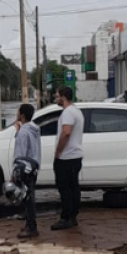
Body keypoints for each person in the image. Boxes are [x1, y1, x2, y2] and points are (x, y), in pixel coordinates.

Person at [52, 86, 84, 230]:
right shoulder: (76, 111)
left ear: (64, 97)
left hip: (67, 157)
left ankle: (66, 217)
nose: (55, 99)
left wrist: (58, 152)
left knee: (65, 188)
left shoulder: (68, 113)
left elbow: (66, 133)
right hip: (74, 157)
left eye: (57, 96)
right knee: (73, 187)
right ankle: (73, 216)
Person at [13, 103, 41, 238]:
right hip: (33, 167)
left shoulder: (23, 132)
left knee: (27, 199)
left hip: (25, 169)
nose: (16, 113)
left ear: (22, 115)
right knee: (29, 197)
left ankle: (31, 227)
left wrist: (16, 172)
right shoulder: (34, 129)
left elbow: (20, 153)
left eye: (18, 111)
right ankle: (29, 225)